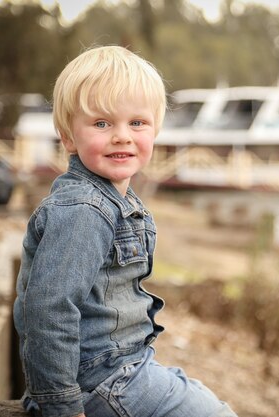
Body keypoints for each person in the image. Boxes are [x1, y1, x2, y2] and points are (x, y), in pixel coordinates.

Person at [13, 45, 237, 417]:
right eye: (102, 124)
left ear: (155, 130)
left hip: (117, 369)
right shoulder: (85, 210)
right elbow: (49, 309)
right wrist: (62, 406)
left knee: (202, 398)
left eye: (137, 123)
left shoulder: (113, 198)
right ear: (68, 137)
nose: (122, 136)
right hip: (98, 381)